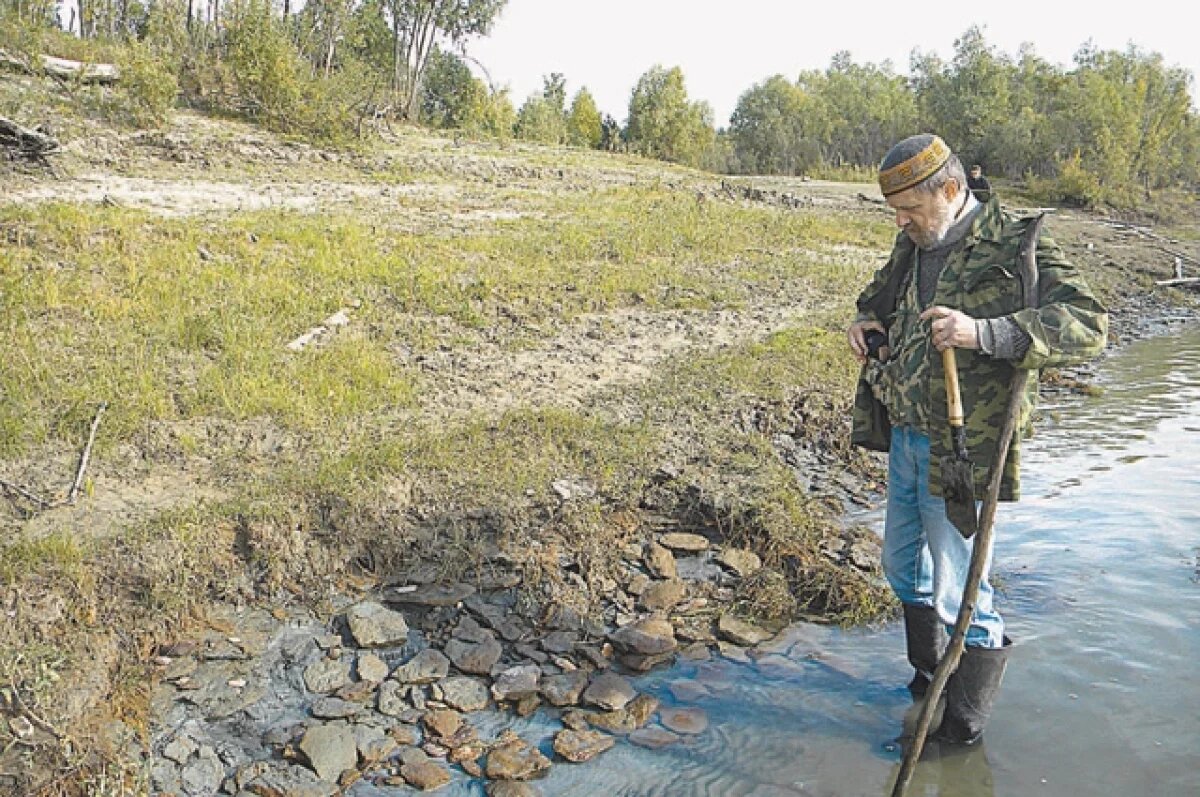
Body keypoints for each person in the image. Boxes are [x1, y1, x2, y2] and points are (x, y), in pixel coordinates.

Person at [847, 134, 1107, 744]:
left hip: (966, 450)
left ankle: (962, 729)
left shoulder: (1019, 244)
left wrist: (982, 333)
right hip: (907, 435)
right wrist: (866, 321)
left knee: (961, 589)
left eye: (910, 207)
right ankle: (929, 678)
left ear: (951, 189)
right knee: (899, 567)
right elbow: (878, 296)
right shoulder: (914, 240)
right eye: (896, 210)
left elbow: (1090, 326)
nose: (901, 220)